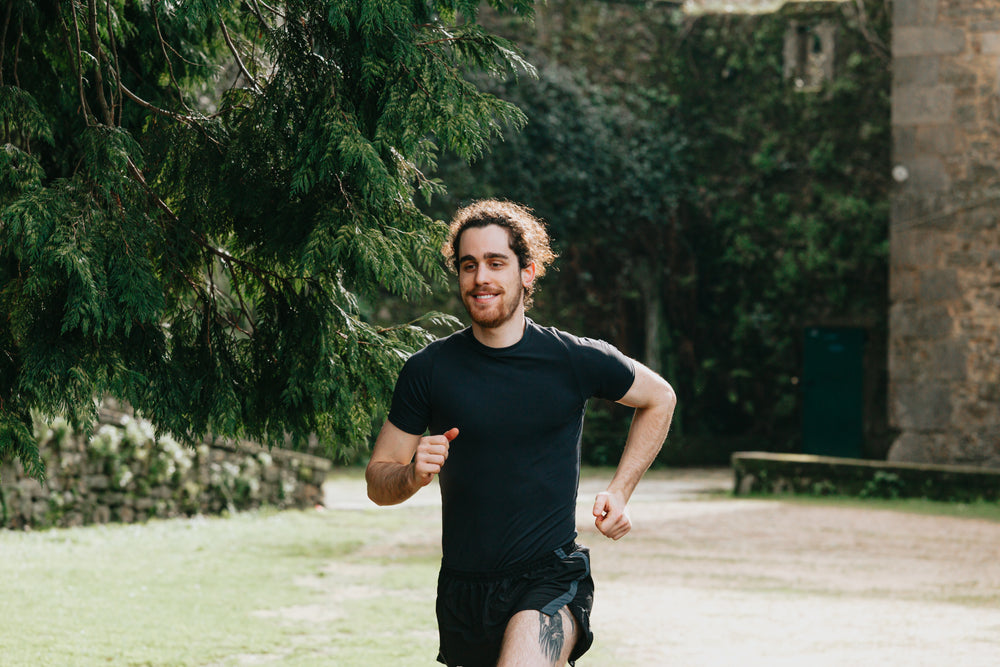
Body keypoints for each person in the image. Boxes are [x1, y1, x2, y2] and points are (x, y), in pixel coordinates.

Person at [366, 199, 676, 666]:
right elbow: (377, 481)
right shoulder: (428, 371)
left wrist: (620, 489)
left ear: (527, 272)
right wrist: (410, 475)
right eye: (468, 265)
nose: (480, 278)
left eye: (496, 263)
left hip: (549, 577)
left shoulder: (572, 359)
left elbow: (659, 398)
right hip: (463, 592)